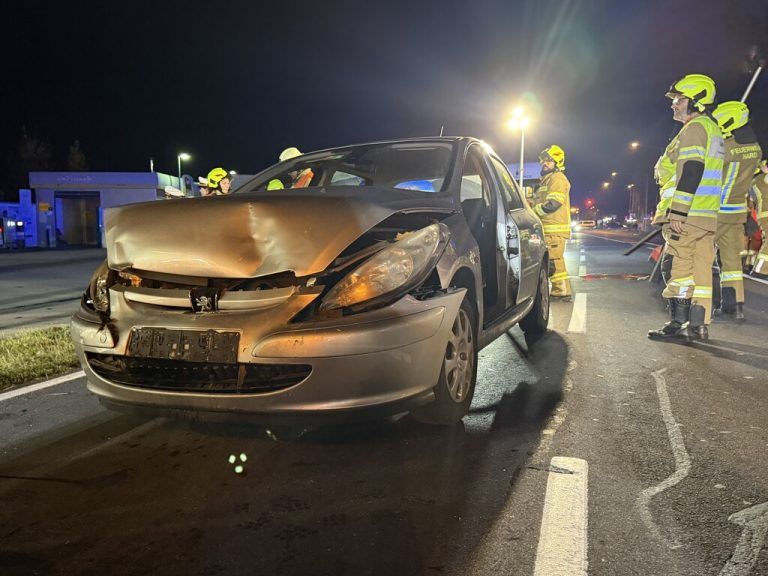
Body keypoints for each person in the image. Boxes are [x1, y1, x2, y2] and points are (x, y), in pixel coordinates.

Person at [648, 74, 724, 341]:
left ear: (696, 101)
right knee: (702, 269)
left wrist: (678, 211)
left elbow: (692, 170)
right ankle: (699, 325)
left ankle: (678, 325)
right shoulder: (713, 130)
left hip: (688, 215)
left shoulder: (694, 129)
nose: (674, 104)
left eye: (679, 99)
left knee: (677, 267)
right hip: (706, 215)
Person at [710, 101, 761, 320]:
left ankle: (694, 305)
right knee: (731, 260)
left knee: (700, 255)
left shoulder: (726, 147)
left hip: (717, 209)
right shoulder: (755, 149)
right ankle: (735, 306)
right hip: (737, 210)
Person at [532, 145, 572, 300]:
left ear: (557, 162)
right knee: (555, 260)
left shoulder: (557, 179)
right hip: (548, 229)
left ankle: (560, 291)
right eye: (543, 160)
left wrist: (533, 212)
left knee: (554, 261)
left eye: (549, 160)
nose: (545, 163)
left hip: (553, 229)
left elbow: (553, 203)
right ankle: (561, 291)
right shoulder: (547, 180)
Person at [751, 160, 768, 278]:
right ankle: (759, 270)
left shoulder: (754, 181)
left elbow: (752, 202)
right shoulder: (763, 179)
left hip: (762, 214)